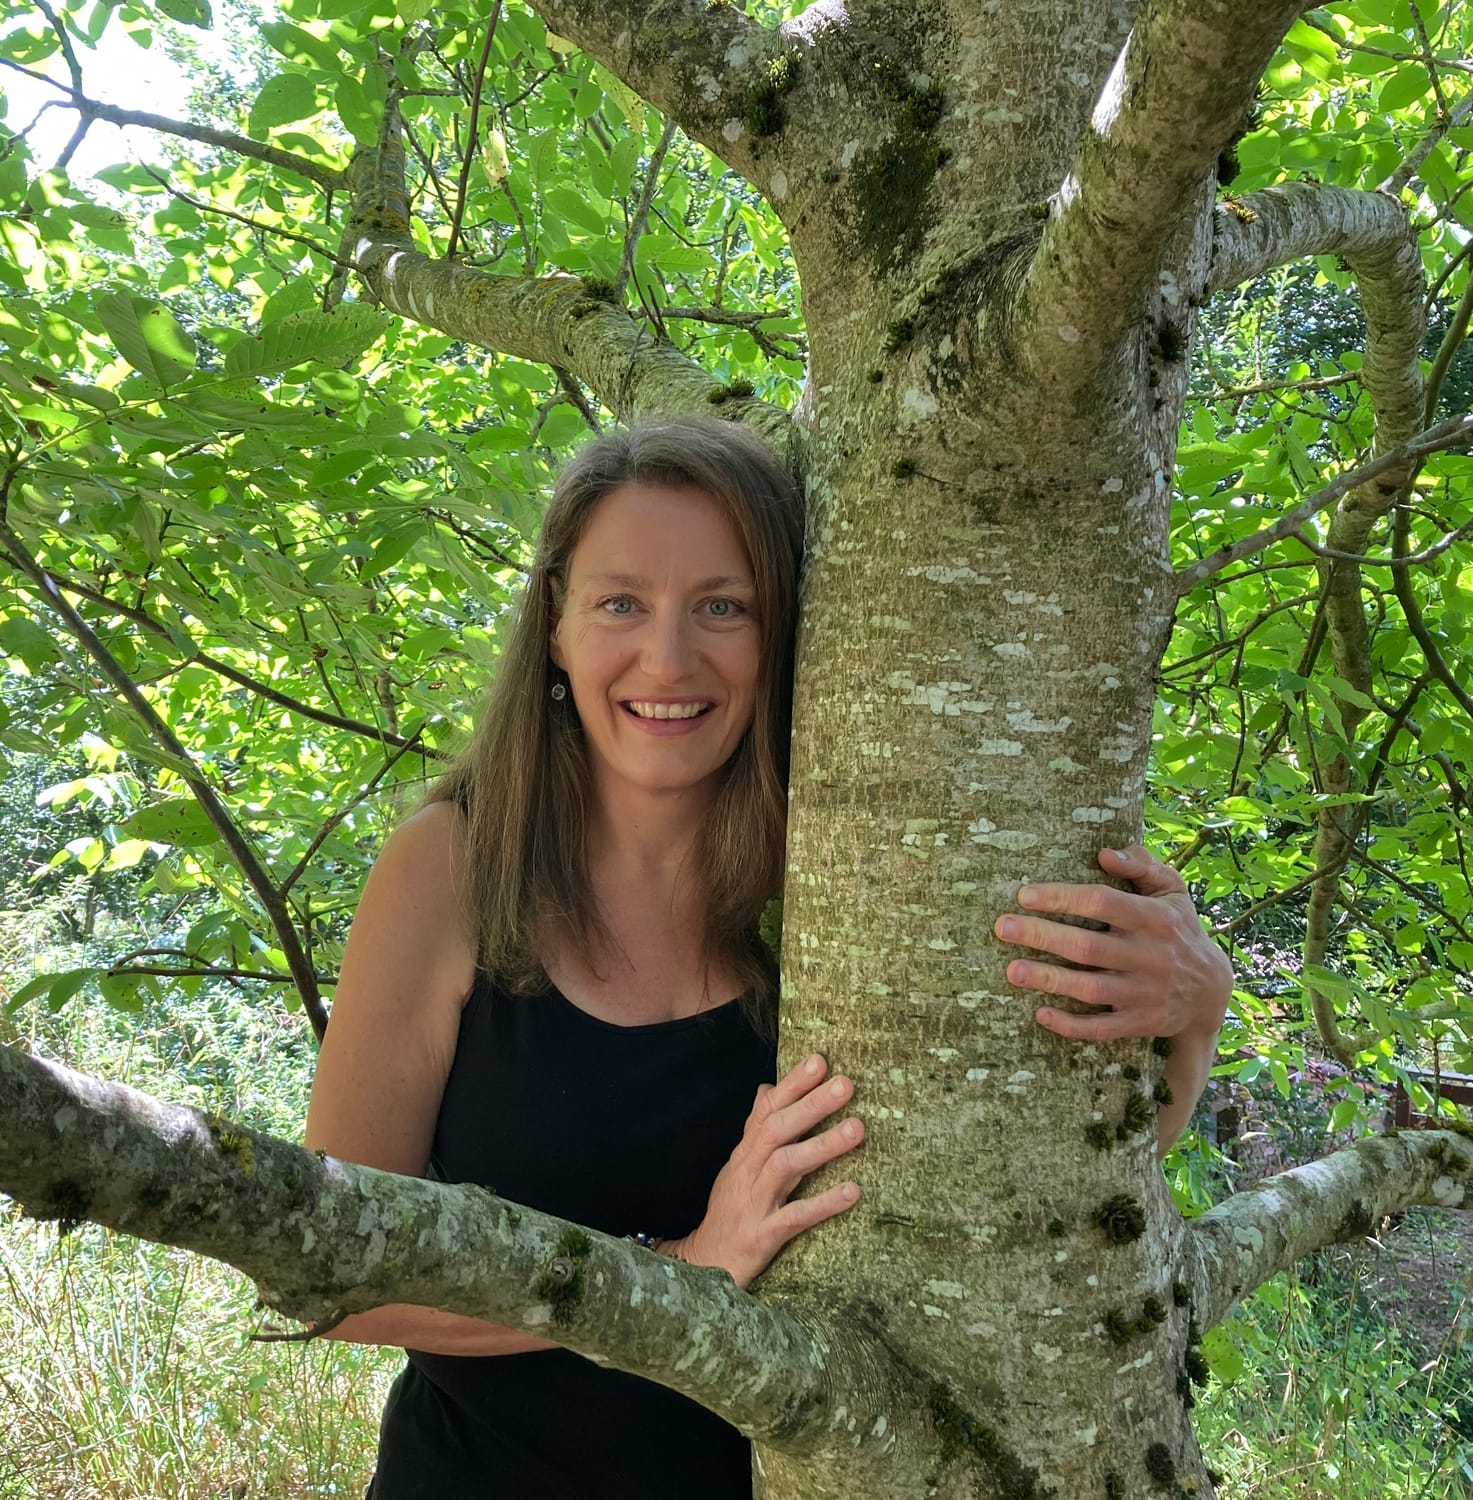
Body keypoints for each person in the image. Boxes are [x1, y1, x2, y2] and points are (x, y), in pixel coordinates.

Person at [304, 415, 1231, 1499]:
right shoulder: (453, 868)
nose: (668, 659)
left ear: (785, 631)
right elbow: (332, 1273)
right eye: (620, 603)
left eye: (723, 607)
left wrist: (1194, 1007)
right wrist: (682, 1270)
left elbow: (1022, 1191)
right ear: (554, 623)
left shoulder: (856, 886)